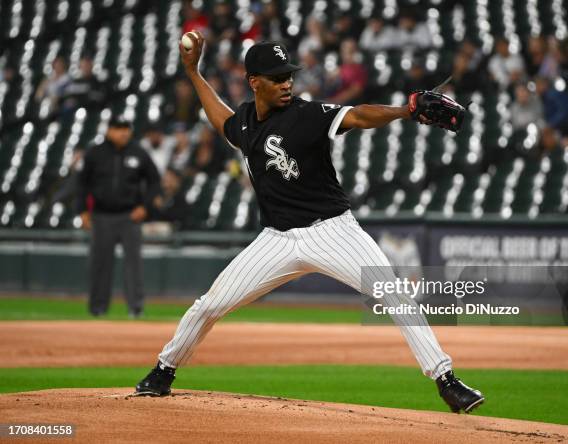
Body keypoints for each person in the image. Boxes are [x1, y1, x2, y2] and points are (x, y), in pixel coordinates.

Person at [134, 34, 484, 414]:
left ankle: (446, 381)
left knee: (393, 293)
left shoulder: (307, 115)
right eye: (277, 76)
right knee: (209, 305)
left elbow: (360, 113)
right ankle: (163, 371)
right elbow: (223, 120)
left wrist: (405, 110)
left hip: (333, 231)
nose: (287, 82)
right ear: (255, 82)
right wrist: (193, 72)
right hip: (276, 240)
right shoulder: (248, 123)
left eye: (289, 75)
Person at [77, 117, 161, 318]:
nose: (123, 132)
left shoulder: (138, 153)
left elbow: (154, 181)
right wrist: (83, 210)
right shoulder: (95, 153)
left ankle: (136, 308)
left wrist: (145, 206)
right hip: (101, 215)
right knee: (100, 265)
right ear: (109, 131)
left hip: (129, 216)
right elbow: (81, 183)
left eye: (126, 129)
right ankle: (97, 309)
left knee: (133, 265)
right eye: (118, 129)